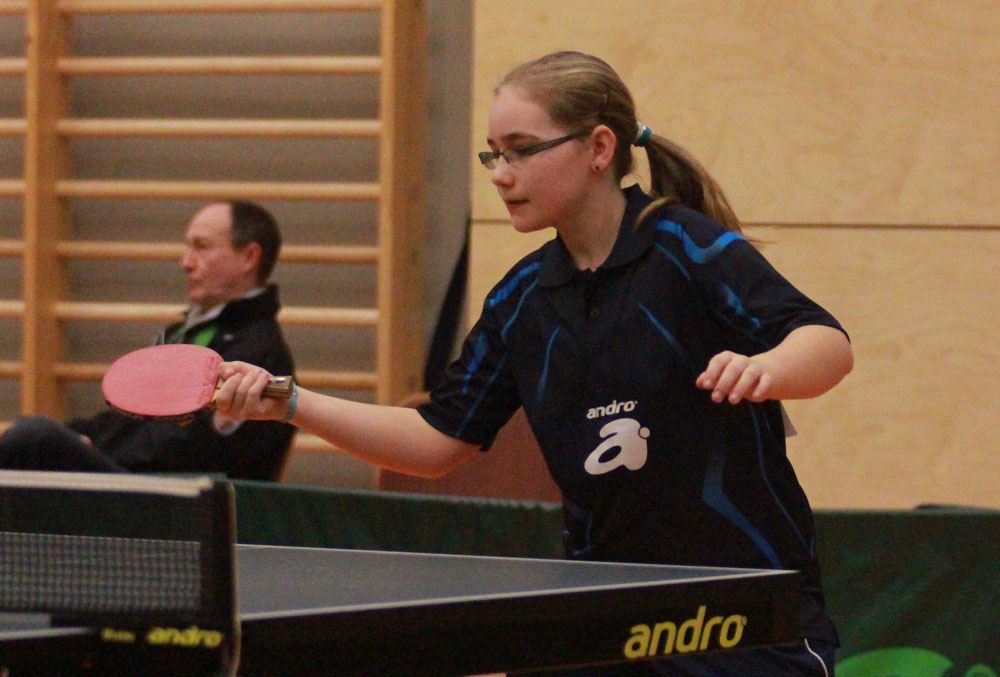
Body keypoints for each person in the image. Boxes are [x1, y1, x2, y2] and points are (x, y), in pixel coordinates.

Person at [215, 51, 853, 675]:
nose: (500, 173)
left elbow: (825, 342)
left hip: (744, 612)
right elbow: (438, 440)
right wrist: (291, 402)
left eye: (521, 150)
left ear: (598, 148)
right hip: (609, 616)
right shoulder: (521, 299)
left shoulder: (688, 249)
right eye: (493, 153)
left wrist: (769, 368)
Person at [0, 200, 296, 481]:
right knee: (40, 435)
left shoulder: (260, 355)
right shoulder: (185, 332)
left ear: (248, 258)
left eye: (202, 247)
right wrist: (80, 436)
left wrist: (93, 447)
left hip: (180, 504)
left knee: (36, 439)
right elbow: (129, 418)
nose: (186, 263)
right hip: (140, 481)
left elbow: (187, 447)